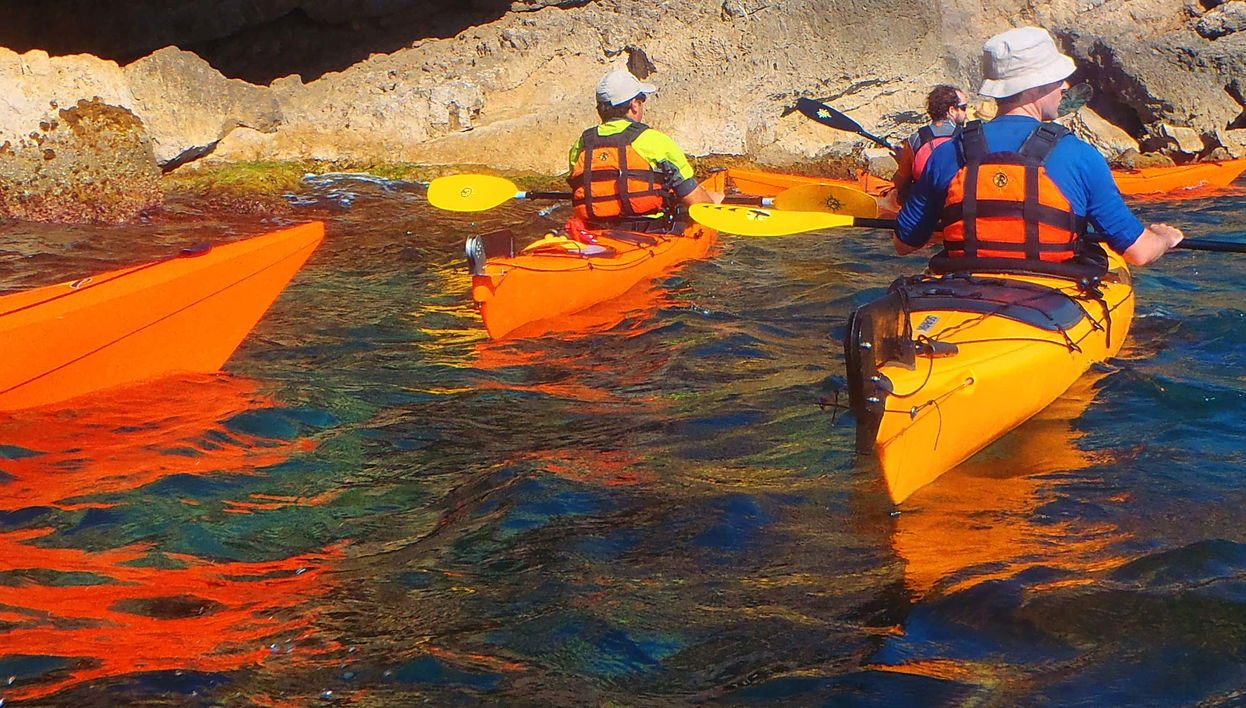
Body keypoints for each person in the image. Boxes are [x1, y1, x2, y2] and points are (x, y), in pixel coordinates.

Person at [895, 27, 1183, 270]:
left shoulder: (949, 152)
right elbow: (1139, 252)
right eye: (1057, 80)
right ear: (1034, 87)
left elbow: (904, 243)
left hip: (964, 293)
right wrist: (1163, 238)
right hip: (1049, 303)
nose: (1064, 87)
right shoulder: (1080, 155)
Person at [567, 69, 721, 234]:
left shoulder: (582, 143)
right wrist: (713, 202)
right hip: (651, 234)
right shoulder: (653, 140)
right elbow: (698, 202)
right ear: (634, 105)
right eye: (642, 101)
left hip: (595, 233)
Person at [891, 85, 970, 204]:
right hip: (957, 205)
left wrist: (903, 161)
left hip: (925, 207)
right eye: (963, 108)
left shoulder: (916, 139)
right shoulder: (968, 137)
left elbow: (900, 181)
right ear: (952, 110)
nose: (966, 113)